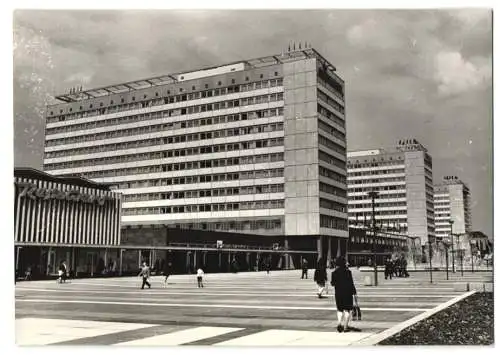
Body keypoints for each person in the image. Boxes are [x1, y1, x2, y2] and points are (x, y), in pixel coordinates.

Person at [331, 256, 357, 333]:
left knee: (340, 309)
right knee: (348, 310)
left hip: (338, 293)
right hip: (347, 293)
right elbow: (351, 283)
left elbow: (333, 284)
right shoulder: (348, 272)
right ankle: (345, 326)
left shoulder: (334, 273)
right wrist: (354, 292)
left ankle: (339, 323)